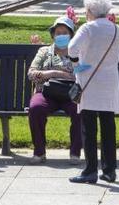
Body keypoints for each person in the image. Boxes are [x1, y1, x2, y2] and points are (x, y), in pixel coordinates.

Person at [67, 0, 119, 184]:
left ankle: (90, 170)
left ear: (90, 11)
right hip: (109, 82)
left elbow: (71, 48)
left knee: (88, 128)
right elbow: (117, 55)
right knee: (108, 127)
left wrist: (77, 65)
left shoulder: (88, 28)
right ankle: (109, 170)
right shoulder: (116, 29)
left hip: (89, 80)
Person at [26, 16, 82, 165]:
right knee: (36, 108)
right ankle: (39, 152)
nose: (61, 36)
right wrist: (53, 74)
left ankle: (75, 153)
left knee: (80, 110)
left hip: (70, 93)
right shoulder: (44, 51)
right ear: (53, 34)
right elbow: (31, 73)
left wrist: (51, 73)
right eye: (58, 32)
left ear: (71, 35)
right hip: (46, 92)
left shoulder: (78, 52)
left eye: (65, 32)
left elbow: (81, 75)